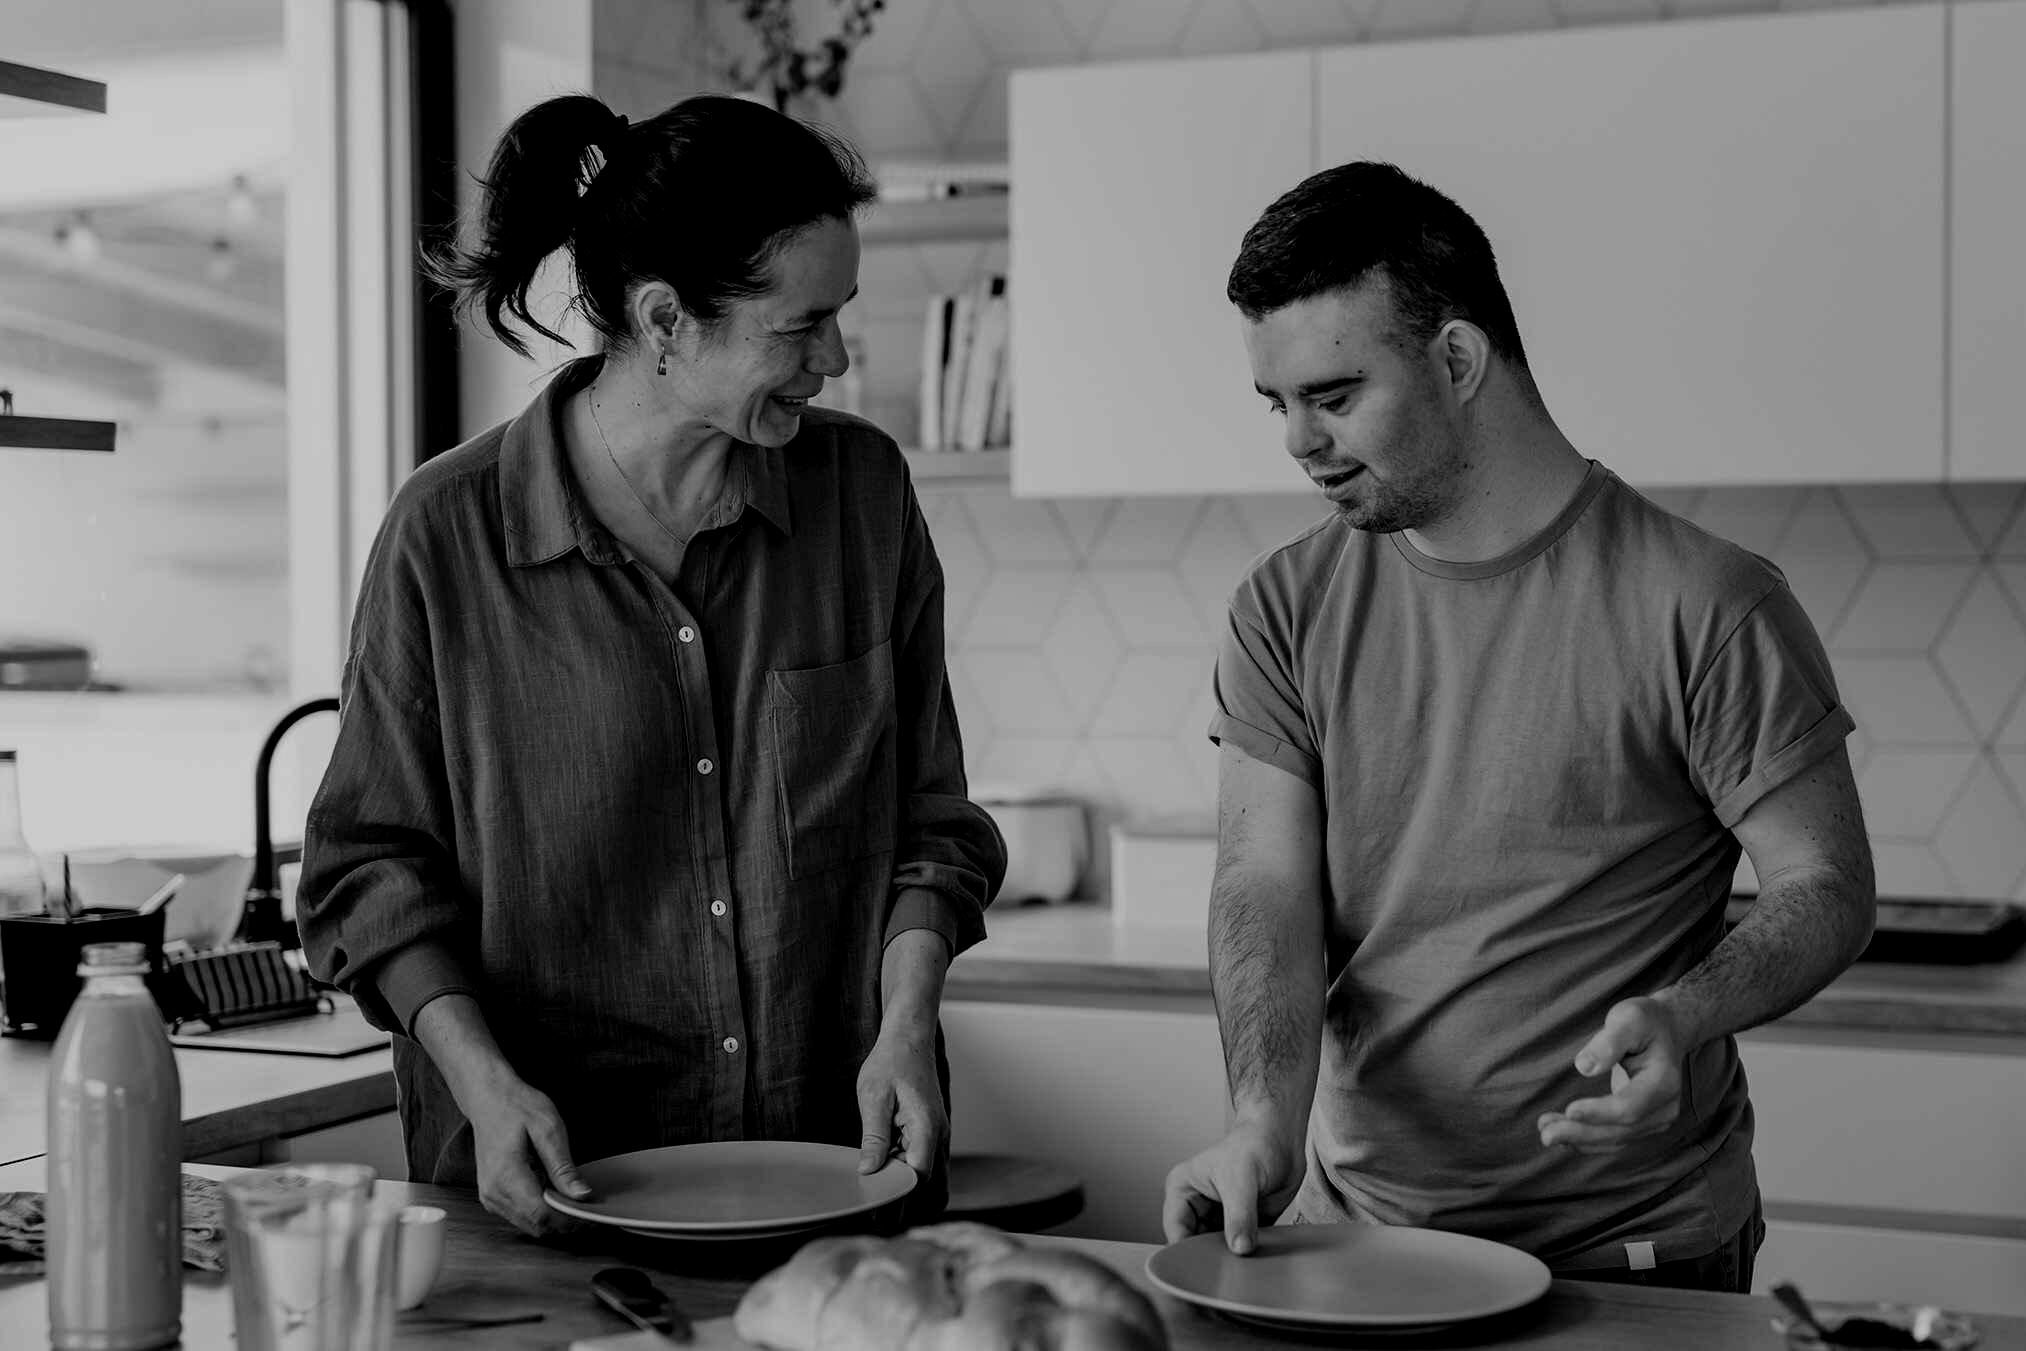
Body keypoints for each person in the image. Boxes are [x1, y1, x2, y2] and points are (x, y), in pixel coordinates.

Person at [297, 93, 1006, 1237]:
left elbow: (929, 817)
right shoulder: (449, 534)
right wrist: (479, 1081)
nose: (832, 357)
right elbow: (367, 870)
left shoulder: (860, 496)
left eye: (841, 318)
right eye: (800, 326)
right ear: (666, 318)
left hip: (831, 1183)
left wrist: (908, 1018)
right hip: (561, 1198)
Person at [1162, 161, 1875, 1292]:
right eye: (1276, 403)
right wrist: (1263, 1119)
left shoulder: (1705, 602)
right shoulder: (1284, 606)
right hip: (1370, 1235)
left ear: (1456, 361)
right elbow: (1263, 886)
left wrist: (1686, 1015)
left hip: (1635, 1251)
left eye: (1334, 396)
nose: (1297, 440)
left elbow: (1825, 884)